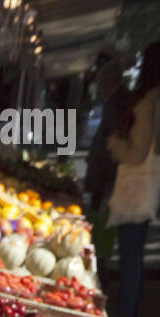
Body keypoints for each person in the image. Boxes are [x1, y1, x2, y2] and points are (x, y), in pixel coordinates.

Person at [106, 41, 160, 317]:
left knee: (131, 255)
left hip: (137, 188)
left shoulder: (149, 103)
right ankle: (129, 314)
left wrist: (117, 146)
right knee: (133, 254)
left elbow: (137, 154)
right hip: (148, 186)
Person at [84, 58, 129, 292]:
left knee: (101, 237)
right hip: (105, 181)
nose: (99, 89)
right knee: (101, 236)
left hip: (106, 182)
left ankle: (100, 283)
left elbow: (113, 150)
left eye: (102, 84)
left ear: (112, 82)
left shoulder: (116, 105)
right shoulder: (116, 103)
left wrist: (109, 187)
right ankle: (100, 279)